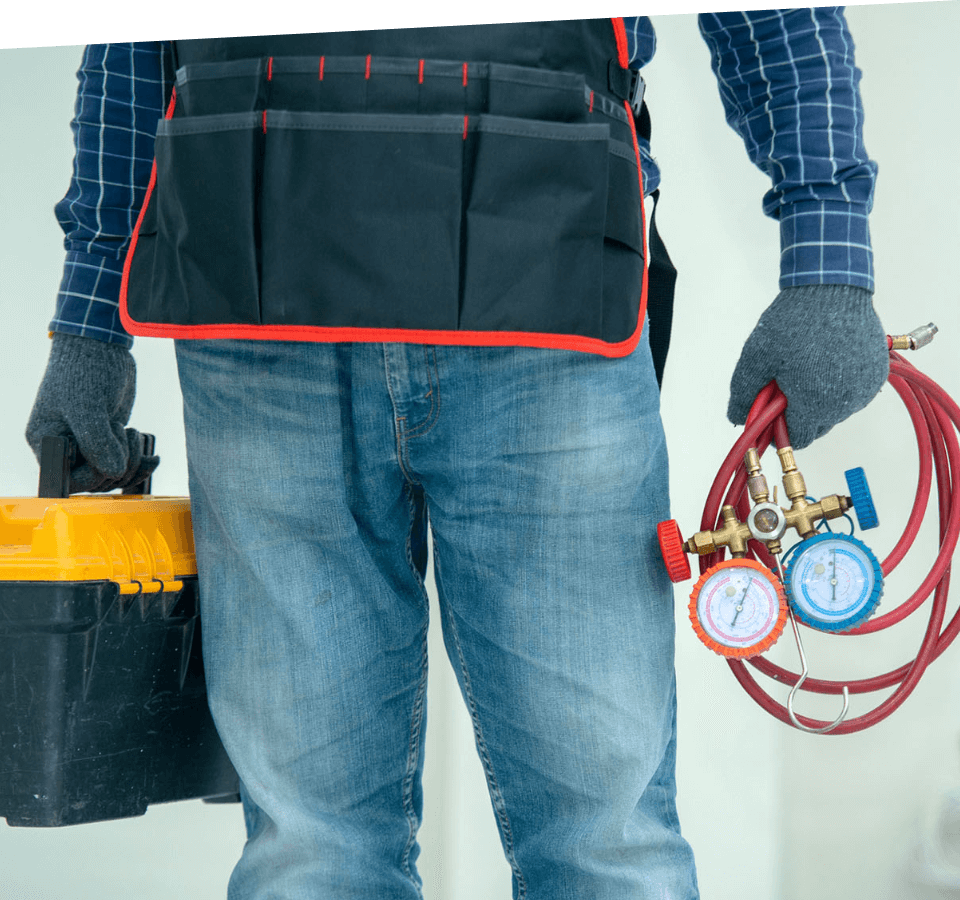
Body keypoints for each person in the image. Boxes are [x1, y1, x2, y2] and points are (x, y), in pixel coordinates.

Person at [26, 18, 888, 899]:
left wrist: (827, 253)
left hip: (534, 300)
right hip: (264, 311)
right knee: (315, 857)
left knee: (596, 846)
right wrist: (90, 313)